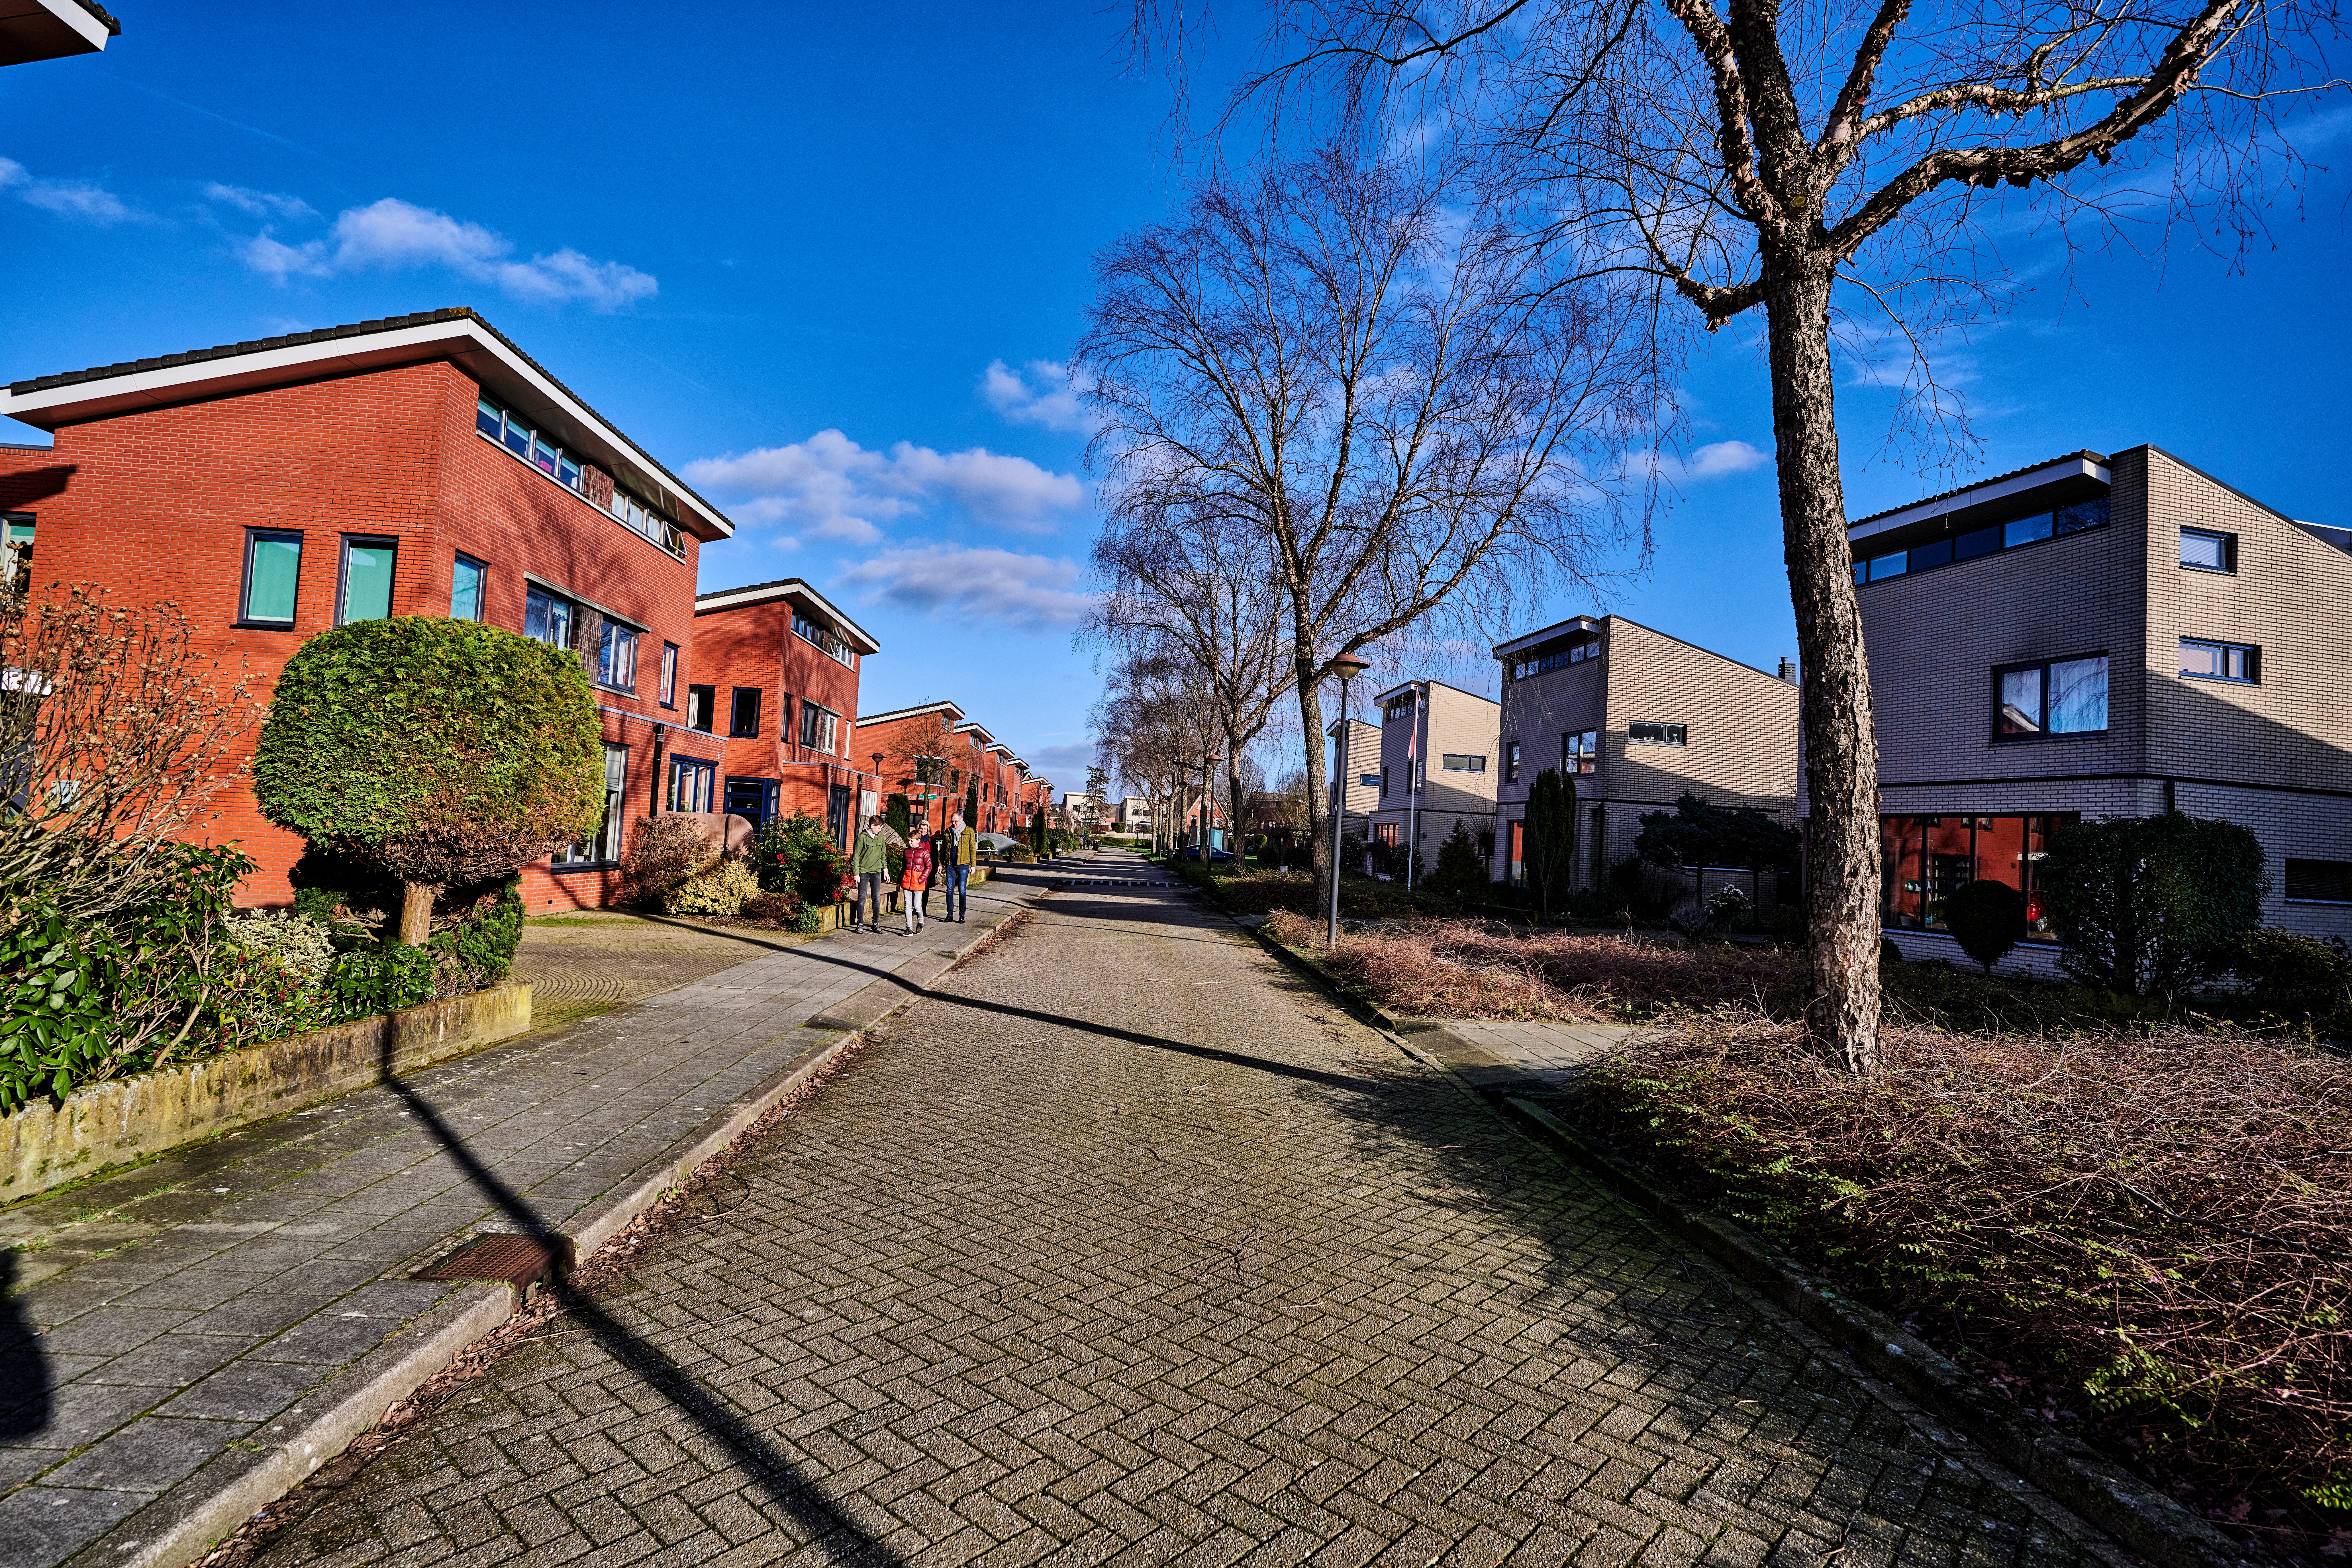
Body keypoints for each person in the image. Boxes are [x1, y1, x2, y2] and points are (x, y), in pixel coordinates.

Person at [850, 814, 900, 933]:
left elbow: (883, 855)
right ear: (872, 826)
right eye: (879, 828)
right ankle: (860, 924)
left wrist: (885, 870)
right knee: (862, 898)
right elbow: (856, 857)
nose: (880, 830)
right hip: (863, 872)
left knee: (876, 898)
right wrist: (856, 873)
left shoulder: (880, 838)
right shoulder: (862, 838)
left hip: (876, 872)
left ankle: (876, 923)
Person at [942, 810, 976, 923]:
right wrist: (940, 863)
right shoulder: (948, 831)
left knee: (962, 891)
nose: (954, 824)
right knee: (949, 890)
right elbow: (944, 849)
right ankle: (950, 915)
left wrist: (974, 865)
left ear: (961, 820)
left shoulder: (969, 831)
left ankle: (962, 915)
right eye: (952, 821)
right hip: (950, 864)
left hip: (964, 864)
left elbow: (972, 848)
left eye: (956, 821)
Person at [899, 826, 933, 935]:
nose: (909, 843)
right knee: (907, 906)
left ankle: (921, 921)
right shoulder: (907, 852)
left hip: (918, 883)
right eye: (909, 840)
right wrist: (899, 882)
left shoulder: (924, 852)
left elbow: (929, 867)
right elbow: (903, 868)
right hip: (907, 882)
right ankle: (909, 929)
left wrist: (922, 879)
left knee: (918, 906)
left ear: (918, 841)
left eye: (912, 841)